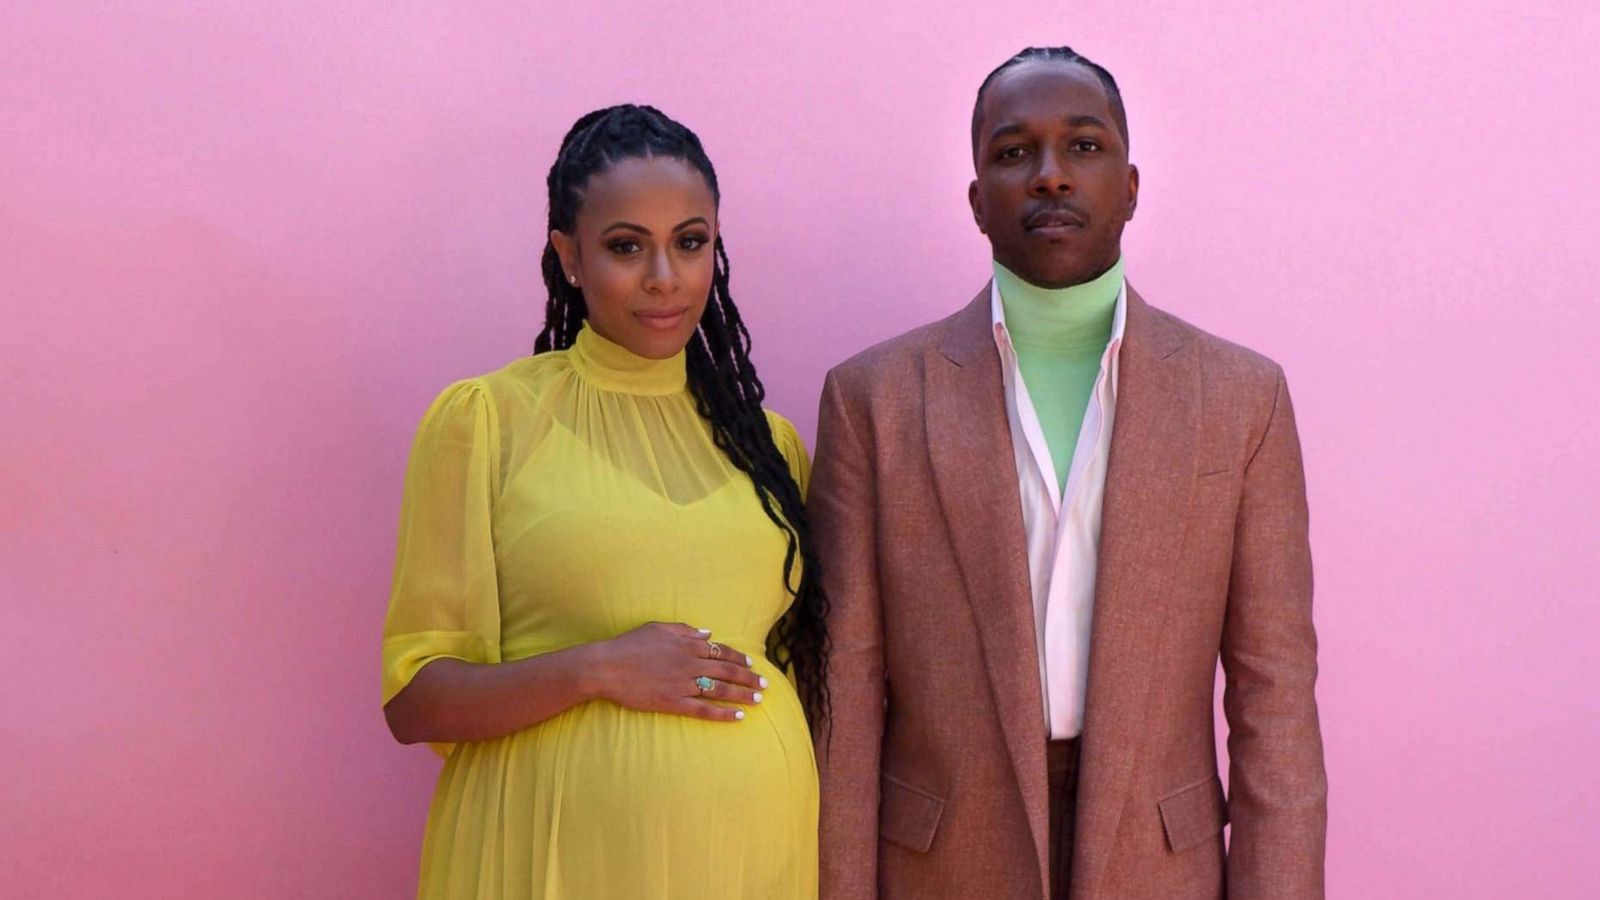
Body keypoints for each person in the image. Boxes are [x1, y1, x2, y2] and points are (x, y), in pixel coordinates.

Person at [810, 47, 1327, 899]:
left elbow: (1276, 697)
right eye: (1015, 153)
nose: (1050, 176)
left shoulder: (1242, 399)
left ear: (1130, 185)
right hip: (943, 864)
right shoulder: (875, 401)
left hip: (1161, 864)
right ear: (978, 200)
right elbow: (848, 693)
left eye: (1083, 147)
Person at [380, 104, 826, 899]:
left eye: (690, 243)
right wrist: (599, 668)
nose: (665, 278)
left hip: (751, 856)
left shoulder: (771, 447)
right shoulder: (488, 422)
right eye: (627, 247)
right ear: (570, 256)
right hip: (549, 856)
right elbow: (416, 702)